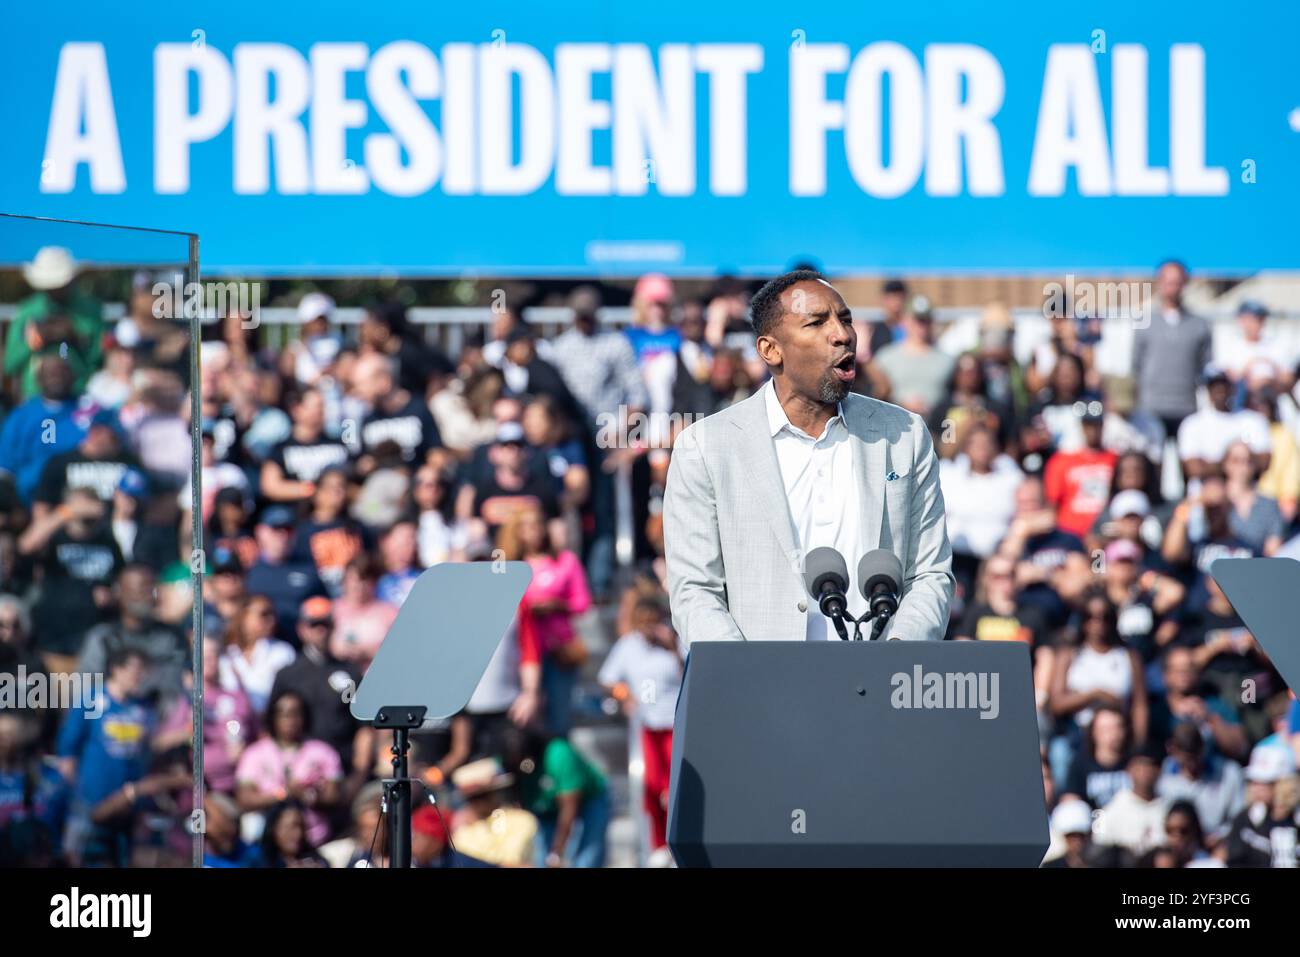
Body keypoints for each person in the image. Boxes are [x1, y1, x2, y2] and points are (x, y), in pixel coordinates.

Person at [663, 270, 954, 645]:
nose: (842, 334)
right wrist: (746, 681)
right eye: (816, 322)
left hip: (879, 687)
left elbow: (930, 574)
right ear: (771, 350)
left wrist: (894, 660)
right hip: (761, 691)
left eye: (845, 319)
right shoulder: (705, 447)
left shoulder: (904, 435)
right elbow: (695, 592)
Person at [597, 596, 683, 864]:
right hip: (648, 724)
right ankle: (659, 843)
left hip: (676, 723)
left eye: (653, 620)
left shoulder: (673, 641)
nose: (648, 626)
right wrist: (626, 696)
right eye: (643, 621)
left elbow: (690, 673)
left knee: (675, 788)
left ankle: (678, 840)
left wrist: (672, 649)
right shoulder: (628, 646)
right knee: (652, 787)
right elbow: (608, 679)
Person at [235, 690, 343, 847]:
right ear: (273, 718)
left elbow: (335, 796)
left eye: (296, 714)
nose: (291, 720)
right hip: (267, 842)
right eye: (284, 714)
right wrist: (284, 794)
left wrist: (310, 796)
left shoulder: (322, 751)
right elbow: (245, 799)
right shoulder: (255, 753)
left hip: (316, 839)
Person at [1131, 260, 1212, 443]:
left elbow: (1206, 365)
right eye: (1168, 281)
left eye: (1177, 281)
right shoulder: (1144, 322)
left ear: (1185, 283)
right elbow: (1135, 365)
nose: (1172, 287)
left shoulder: (1199, 325)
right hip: (1151, 408)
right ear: (1159, 282)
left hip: (1187, 408)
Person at [503, 730, 609, 868]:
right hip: (545, 806)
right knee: (541, 858)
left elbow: (569, 809)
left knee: (586, 858)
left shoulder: (558, 754)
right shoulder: (507, 760)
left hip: (589, 798)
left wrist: (557, 851)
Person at [867, 295, 955, 417]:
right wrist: (902, 403)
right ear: (905, 320)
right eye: (917, 320)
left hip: (935, 427)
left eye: (925, 320)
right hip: (895, 424)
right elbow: (875, 395)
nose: (921, 326)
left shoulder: (947, 360)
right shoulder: (885, 358)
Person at [1093, 742, 1169, 857]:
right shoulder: (1109, 810)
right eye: (1140, 766)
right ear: (1129, 769)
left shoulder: (1170, 807)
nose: (1146, 772)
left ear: (1159, 770)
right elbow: (1098, 848)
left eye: (1151, 765)